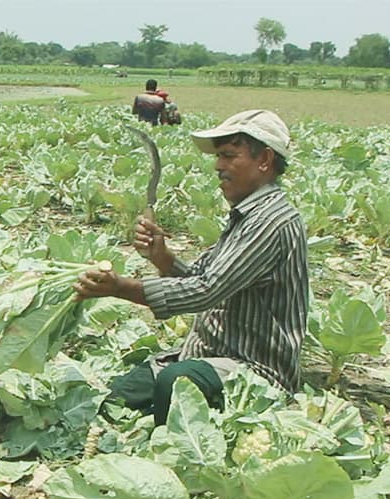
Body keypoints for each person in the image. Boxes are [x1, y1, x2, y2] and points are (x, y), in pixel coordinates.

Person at [74, 110, 307, 425]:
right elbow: (202, 279)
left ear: (264, 160)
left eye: (228, 156)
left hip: (253, 369)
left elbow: (205, 291)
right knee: (116, 399)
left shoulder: (272, 221)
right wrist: (162, 257)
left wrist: (120, 288)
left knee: (178, 383)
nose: (218, 166)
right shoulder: (247, 216)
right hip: (206, 355)